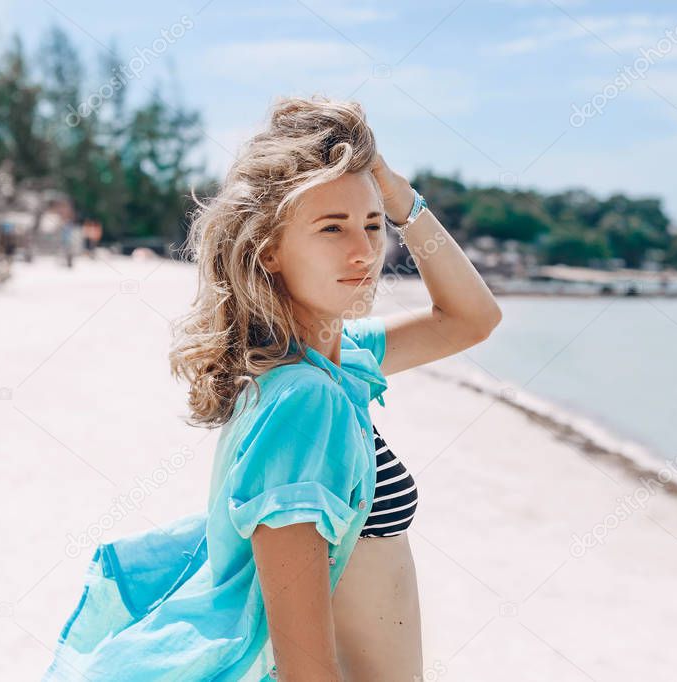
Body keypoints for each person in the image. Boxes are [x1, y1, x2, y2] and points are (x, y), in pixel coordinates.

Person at [40, 96, 503, 681]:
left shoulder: (338, 360)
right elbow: (305, 667)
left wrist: (403, 202)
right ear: (270, 250)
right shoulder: (303, 402)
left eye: (370, 224)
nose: (363, 251)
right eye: (331, 228)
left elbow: (471, 319)